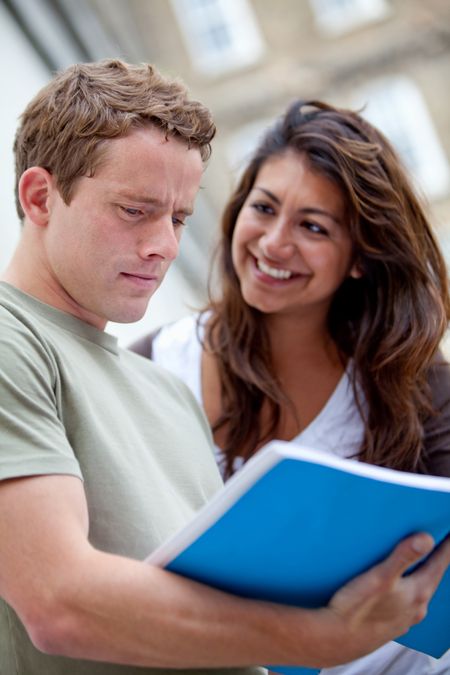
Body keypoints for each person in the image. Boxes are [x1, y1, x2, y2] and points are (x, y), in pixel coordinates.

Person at [0, 62, 449, 675]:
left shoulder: (165, 392)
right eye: (135, 210)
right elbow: (58, 604)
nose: (166, 245)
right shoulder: (14, 339)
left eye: (180, 218)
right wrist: (316, 638)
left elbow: (214, 613)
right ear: (39, 197)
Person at [130, 100, 450, 674]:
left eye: (313, 227)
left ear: (359, 257)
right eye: (265, 207)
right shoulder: (152, 364)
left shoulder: (422, 394)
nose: (274, 243)